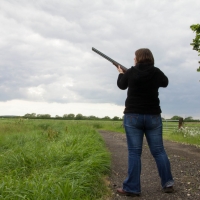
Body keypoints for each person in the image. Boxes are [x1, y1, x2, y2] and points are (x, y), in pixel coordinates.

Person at [116, 48, 174, 197]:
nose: (134, 59)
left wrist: (121, 74)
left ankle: (132, 188)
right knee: (159, 151)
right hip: (153, 116)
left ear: (138, 58)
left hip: (133, 116)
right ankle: (168, 183)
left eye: (134, 57)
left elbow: (121, 85)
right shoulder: (156, 71)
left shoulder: (131, 72)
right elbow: (165, 82)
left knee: (134, 153)